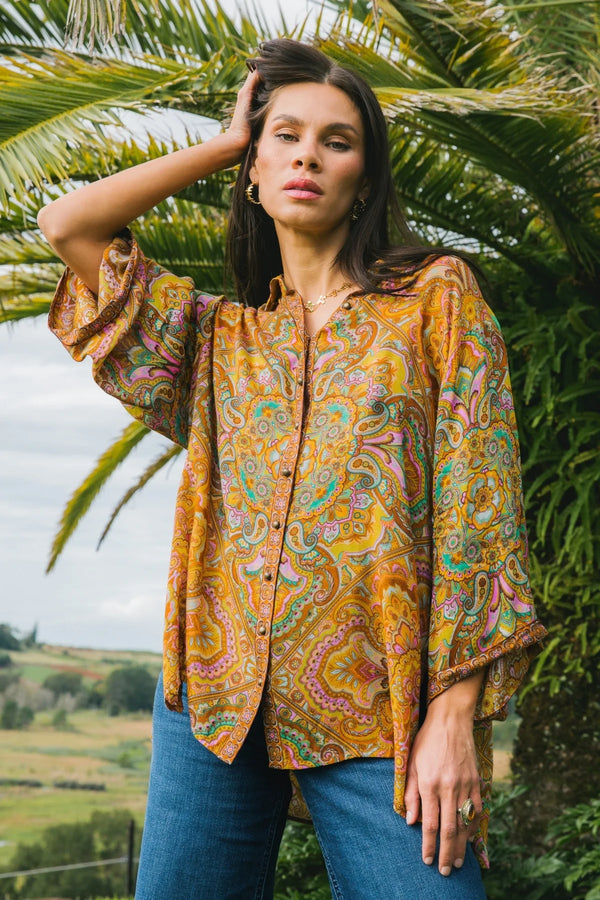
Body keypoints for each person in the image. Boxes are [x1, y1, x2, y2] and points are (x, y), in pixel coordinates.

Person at [39, 38, 546, 900]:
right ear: (255, 169)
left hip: (382, 712)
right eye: (287, 136)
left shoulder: (436, 301)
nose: (308, 155)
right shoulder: (215, 341)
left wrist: (454, 712)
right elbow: (68, 226)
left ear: (364, 179)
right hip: (213, 702)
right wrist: (226, 143)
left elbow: (480, 508)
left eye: (336, 142)